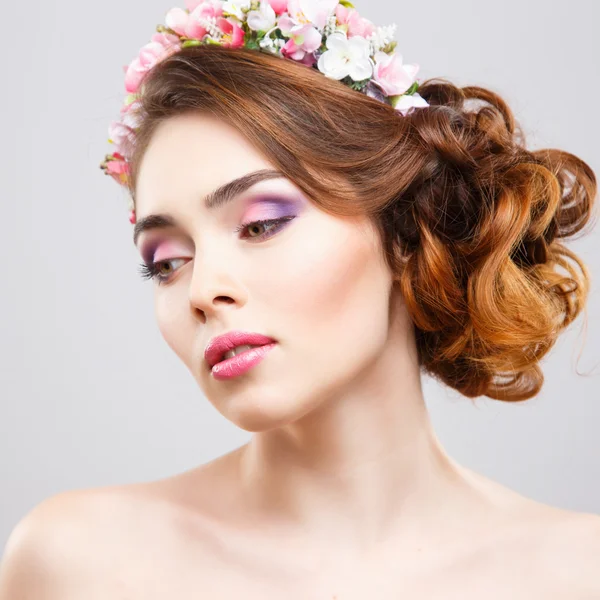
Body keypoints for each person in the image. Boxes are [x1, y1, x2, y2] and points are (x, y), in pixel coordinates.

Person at [1, 0, 599, 597]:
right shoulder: (80, 564)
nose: (204, 291)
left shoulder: (575, 572)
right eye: (167, 262)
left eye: (261, 224)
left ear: (404, 233)